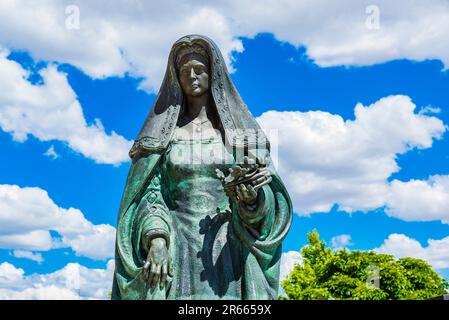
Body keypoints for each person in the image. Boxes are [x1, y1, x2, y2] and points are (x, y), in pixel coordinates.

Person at [112, 34, 292, 300]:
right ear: (176, 78)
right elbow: (148, 197)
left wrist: (252, 200)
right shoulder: (161, 139)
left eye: (200, 70)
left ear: (214, 74)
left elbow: (269, 203)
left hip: (228, 252)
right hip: (177, 249)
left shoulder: (241, 137)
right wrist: (157, 238)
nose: (192, 77)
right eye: (185, 72)